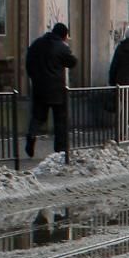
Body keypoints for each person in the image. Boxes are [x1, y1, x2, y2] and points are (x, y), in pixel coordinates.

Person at [23, 22, 75, 158]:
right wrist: (67, 49)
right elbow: (72, 62)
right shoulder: (61, 47)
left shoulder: (37, 44)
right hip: (57, 89)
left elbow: (28, 64)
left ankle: (31, 135)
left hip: (39, 87)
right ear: (63, 35)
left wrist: (34, 78)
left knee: (38, 116)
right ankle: (60, 149)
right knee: (60, 119)